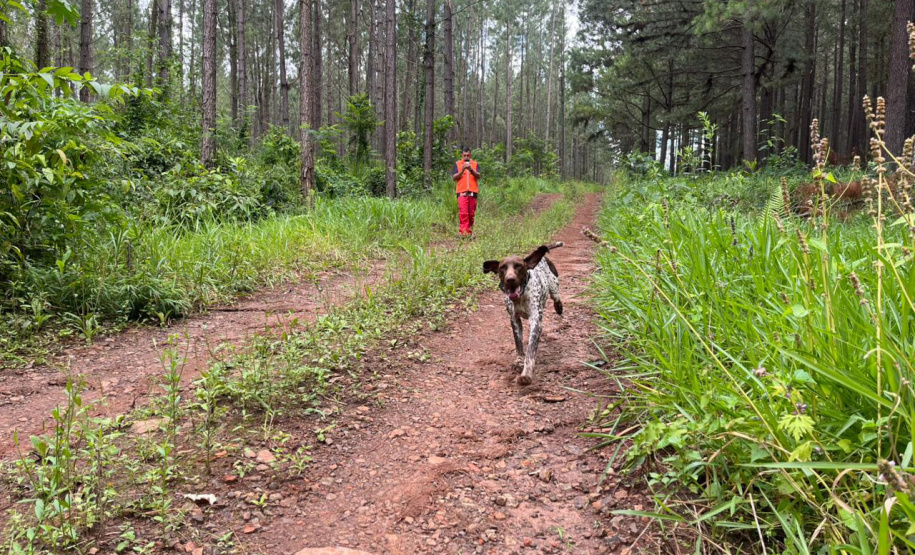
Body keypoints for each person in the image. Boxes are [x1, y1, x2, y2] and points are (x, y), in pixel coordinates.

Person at [452, 147, 481, 237]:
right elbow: (454, 177)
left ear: (470, 155)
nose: (466, 157)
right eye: (464, 155)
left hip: (473, 192)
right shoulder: (457, 164)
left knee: (471, 214)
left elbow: (478, 176)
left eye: (468, 155)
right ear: (462, 155)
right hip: (462, 192)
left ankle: (470, 233)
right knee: (463, 213)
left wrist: (471, 169)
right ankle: (463, 233)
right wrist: (463, 170)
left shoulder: (475, 164)